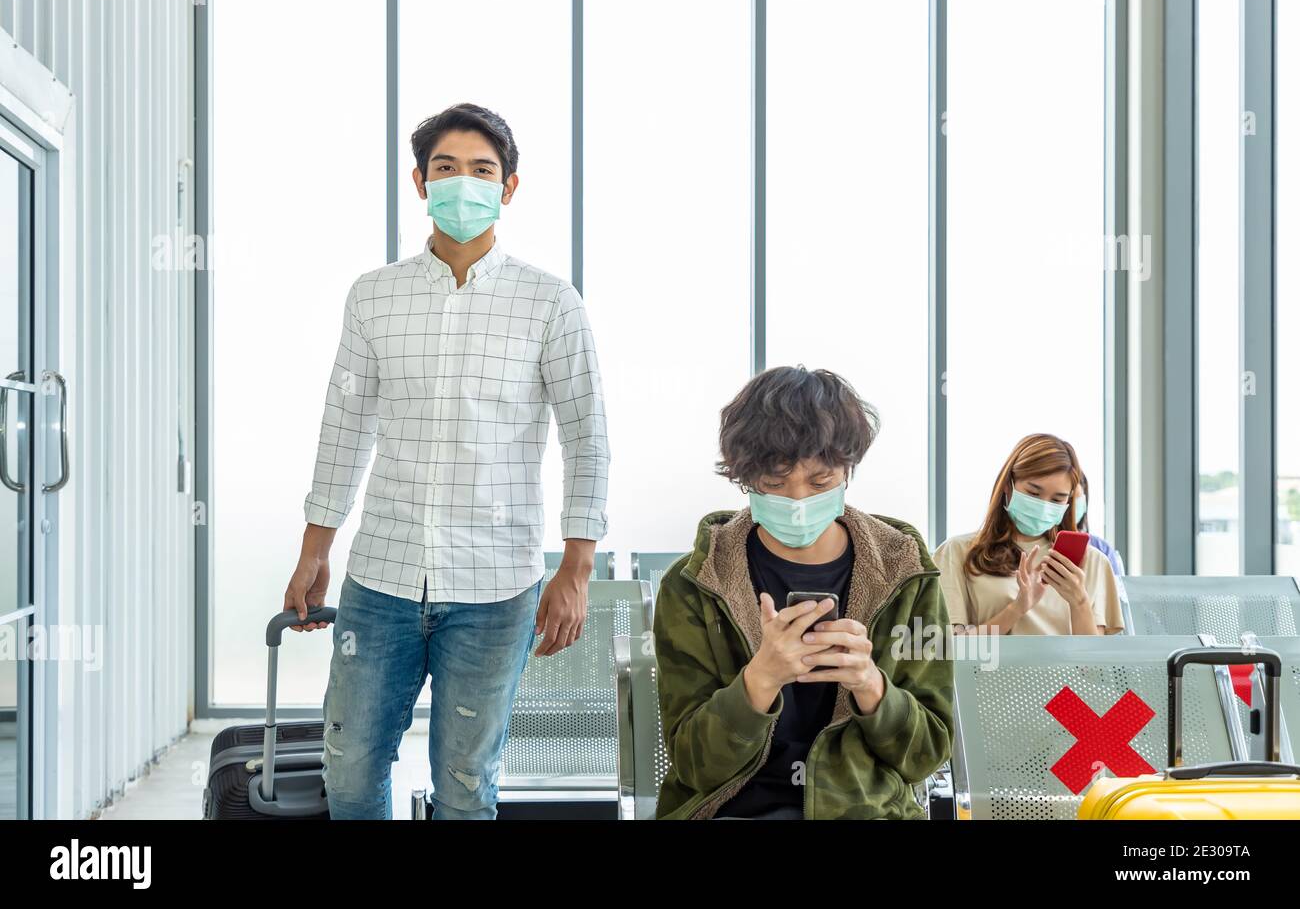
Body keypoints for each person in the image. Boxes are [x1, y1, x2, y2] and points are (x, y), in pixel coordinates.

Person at [282, 103, 611, 819]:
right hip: (383, 579)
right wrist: (315, 549)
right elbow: (345, 425)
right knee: (350, 768)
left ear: (510, 187)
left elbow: (587, 435)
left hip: (497, 587)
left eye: (482, 170)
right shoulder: (374, 296)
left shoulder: (550, 302)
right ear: (420, 182)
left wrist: (576, 569)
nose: (464, 182)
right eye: (446, 168)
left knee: (466, 785)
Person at [652, 366, 954, 820]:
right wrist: (760, 680)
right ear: (745, 478)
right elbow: (696, 767)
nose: (796, 503)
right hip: (733, 810)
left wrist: (871, 686)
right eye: (774, 485)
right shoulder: (697, 584)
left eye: (820, 482)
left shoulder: (906, 576)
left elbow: (927, 755)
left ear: (847, 471)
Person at [934, 433, 1124, 636]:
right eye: (1034, 494)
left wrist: (1080, 601)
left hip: (1061, 669)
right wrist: (1017, 609)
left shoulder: (1093, 562)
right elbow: (950, 651)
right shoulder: (957, 552)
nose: (1043, 506)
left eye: (1057, 499)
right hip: (991, 669)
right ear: (1008, 485)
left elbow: (1094, 664)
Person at [1073, 471, 1126, 576]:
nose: (1071, 507)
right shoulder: (1040, 545)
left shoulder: (1101, 549)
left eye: (1077, 499)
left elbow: (1117, 591)